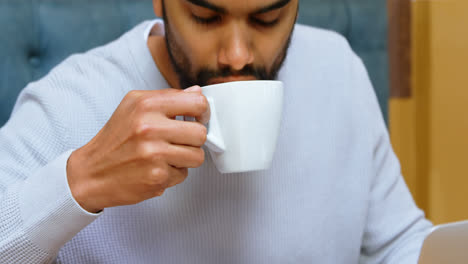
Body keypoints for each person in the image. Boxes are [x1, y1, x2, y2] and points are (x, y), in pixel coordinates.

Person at [0, 0, 432, 263]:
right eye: (206, 16)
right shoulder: (66, 101)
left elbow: (398, 242)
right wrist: (79, 183)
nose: (238, 55)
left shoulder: (339, 69)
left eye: (268, 18)